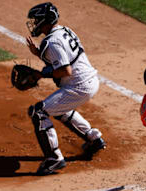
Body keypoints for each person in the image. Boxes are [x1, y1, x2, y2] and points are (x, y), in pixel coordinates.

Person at [25, 2, 106, 175]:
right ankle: (94, 139)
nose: (34, 23)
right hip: (89, 80)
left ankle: (54, 159)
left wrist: (40, 75)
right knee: (59, 109)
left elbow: (65, 70)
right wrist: (38, 53)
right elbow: (60, 58)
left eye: (36, 19)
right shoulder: (64, 30)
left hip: (79, 86)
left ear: (45, 21)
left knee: (38, 112)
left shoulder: (51, 41)